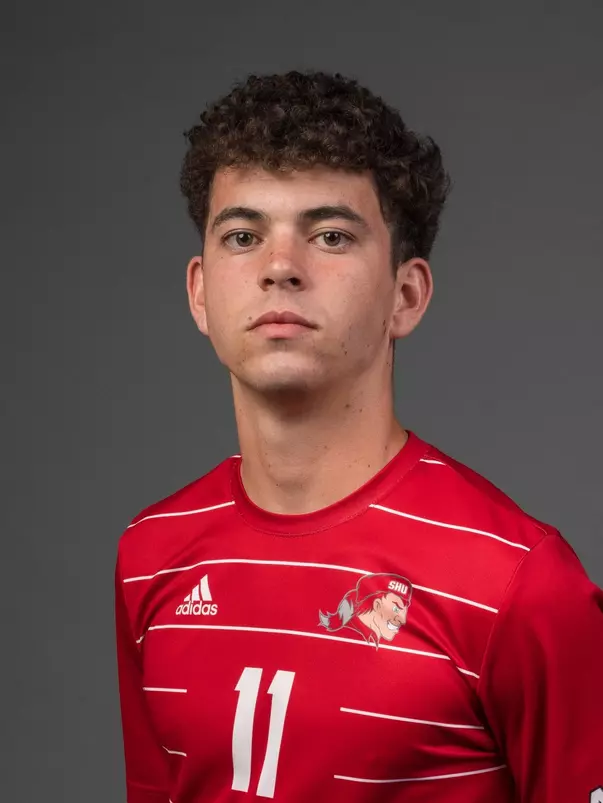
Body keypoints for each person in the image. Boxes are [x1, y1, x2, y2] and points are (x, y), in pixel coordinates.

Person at [114, 70, 603, 803]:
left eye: (330, 235)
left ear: (405, 295)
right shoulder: (150, 553)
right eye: (243, 236)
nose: (280, 267)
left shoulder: (520, 584)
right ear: (199, 293)